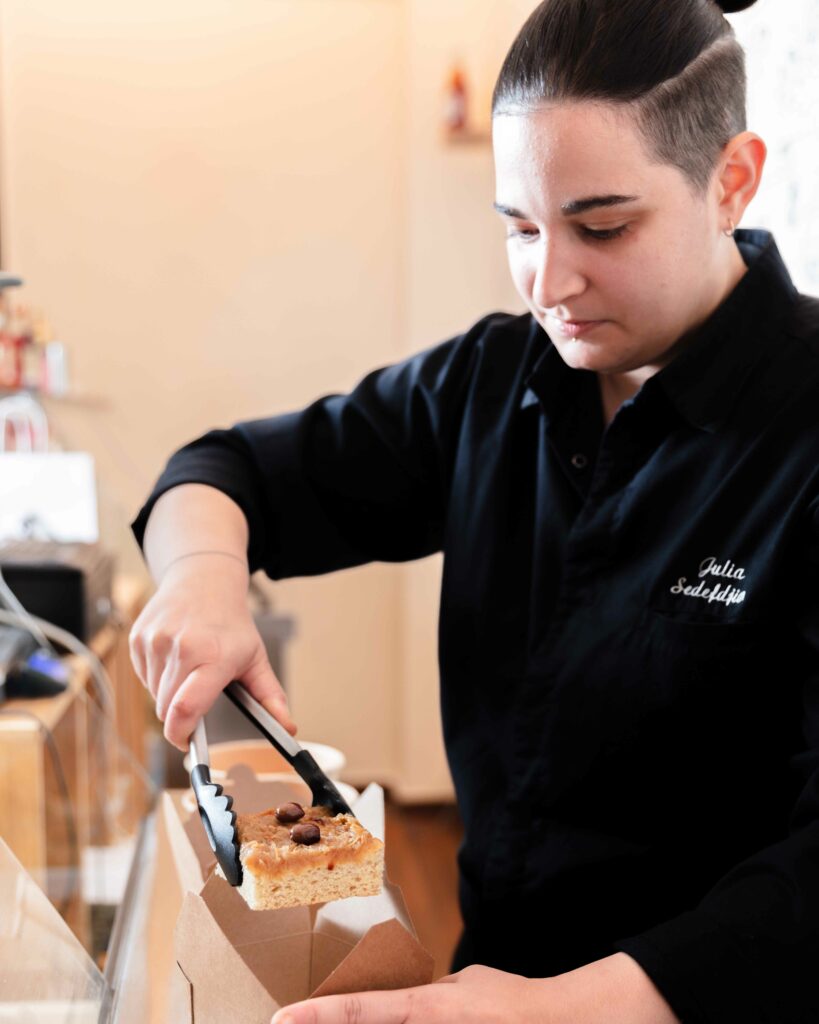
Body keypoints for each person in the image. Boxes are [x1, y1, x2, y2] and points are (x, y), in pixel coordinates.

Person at [130, 0, 819, 1020]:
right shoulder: (496, 381)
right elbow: (224, 470)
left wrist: (566, 1008)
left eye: (601, 226)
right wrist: (203, 582)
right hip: (483, 982)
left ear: (733, 179)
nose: (551, 280)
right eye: (520, 227)